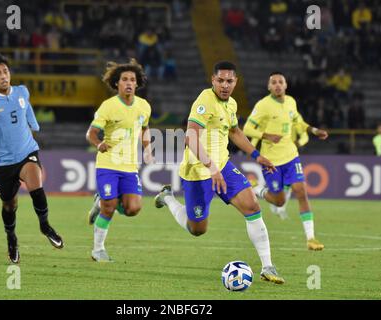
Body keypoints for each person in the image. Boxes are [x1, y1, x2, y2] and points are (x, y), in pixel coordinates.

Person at [154, 61, 285, 284]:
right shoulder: (205, 100)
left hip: (222, 165)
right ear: (213, 80)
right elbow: (190, 137)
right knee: (197, 229)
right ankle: (167, 198)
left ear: (236, 82)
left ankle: (267, 266)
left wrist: (257, 156)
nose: (225, 85)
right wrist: (211, 168)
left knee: (252, 206)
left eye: (229, 81)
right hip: (198, 170)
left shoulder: (231, 104)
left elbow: (234, 132)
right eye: (220, 80)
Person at [0, 54, 63, 264]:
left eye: (6, 72)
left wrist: (34, 123)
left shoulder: (21, 91)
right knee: (10, 206)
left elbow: (26, 106)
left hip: (26, 152)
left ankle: (45, 226)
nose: (3, 76)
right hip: (2, 163)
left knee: (36, 186)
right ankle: (11, 239)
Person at [243, 71, 328, 251]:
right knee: (279, 201)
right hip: (271, 161)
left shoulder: (291, 102)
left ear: (286, 85)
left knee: (301, 191)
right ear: (269, 87)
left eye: (280, 82)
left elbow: (299, 122)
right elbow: (247, 128)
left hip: (291, 156)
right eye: (273, 82)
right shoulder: (263, 105)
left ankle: (310, 238)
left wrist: (313, 131)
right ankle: (257, 189)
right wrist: (265, 135)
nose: (277, 85)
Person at [86, 59, 152, 262]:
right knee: (109, 207)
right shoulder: (108, 106)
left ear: (137, 83)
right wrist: (99, 144)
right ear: (117, 83)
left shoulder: (144, 106)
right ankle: (98, 250)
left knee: (133, 209)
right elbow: (91, 133)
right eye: (124, 79)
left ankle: (103, 201)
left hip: (130, 166)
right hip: (108, 164)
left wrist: (148, 148)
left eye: (132, 79)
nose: (129, 83)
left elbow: (144, 128)